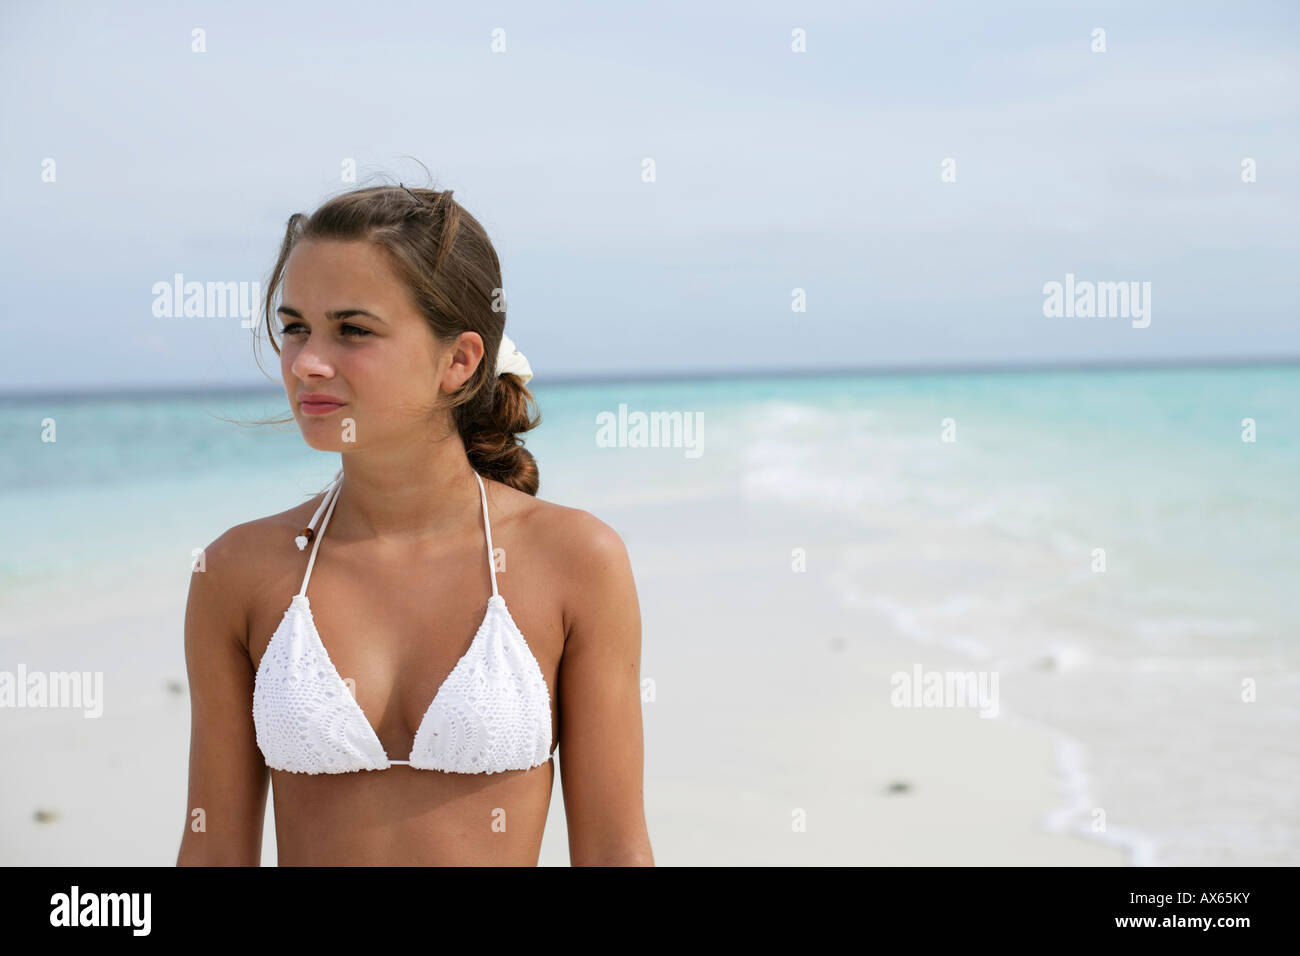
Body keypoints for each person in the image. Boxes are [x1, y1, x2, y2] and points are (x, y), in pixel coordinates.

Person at [176, 182, 652, 866]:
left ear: (458, 361)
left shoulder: (575, 559)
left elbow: (614, 852)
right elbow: (212, 853)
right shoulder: (236, 571)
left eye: (353, 330)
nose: (307, 361)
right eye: (295, 327)